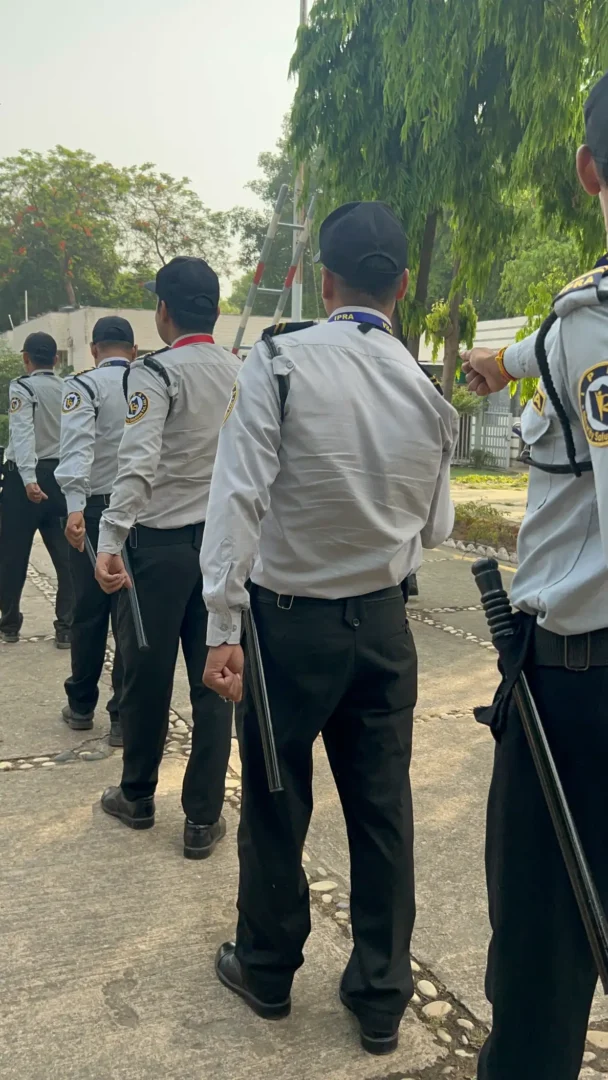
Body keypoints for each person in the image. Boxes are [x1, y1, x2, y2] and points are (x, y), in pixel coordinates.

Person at [201, 202, 458, 1054]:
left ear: (324, 281)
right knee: (382, 810)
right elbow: (438, 529)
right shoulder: (426, 390)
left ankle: (268, 971)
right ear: (403, 286)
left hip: (287, 627)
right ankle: (381, 997)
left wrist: (222, 623)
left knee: (278, 799)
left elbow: (237, 498)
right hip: (383, 626)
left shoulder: (279, 362)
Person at [462, 72, 608, 1080]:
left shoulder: (591, 322)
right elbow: (551, 349)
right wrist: (501, 365)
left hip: (579, 695)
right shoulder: (569, 330)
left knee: (540, 976)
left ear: (587, 168)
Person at [94, 257, 240, 859]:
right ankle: (203, 818)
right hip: (220, 549)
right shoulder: (241, 371)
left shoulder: (154, 372)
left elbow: (138, 463)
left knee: (147, 676)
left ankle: (138, 795)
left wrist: (109, 537)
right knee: (216, 680)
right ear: (215, 310)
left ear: (162, 311)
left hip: (155, 551)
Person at [55, 316, 138, 745]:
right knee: (130, 614)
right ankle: (123, 715)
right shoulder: (149, 383)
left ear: (93, 349)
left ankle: (82, 706)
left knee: (89, 612)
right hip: (140, 511)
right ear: (134, 351)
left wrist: (73, 507)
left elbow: (77, 448)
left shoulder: (83, 387)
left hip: (92, 511)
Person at [0, 331, 72, 646]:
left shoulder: (22, 387)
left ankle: (10, 623)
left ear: (26, 358)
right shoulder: (69, 388)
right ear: (55, 359)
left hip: (23, 481)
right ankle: (66, 626)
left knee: (12, 554)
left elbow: (22, 432)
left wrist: (29, 478)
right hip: (60, 477)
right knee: (66, 556)